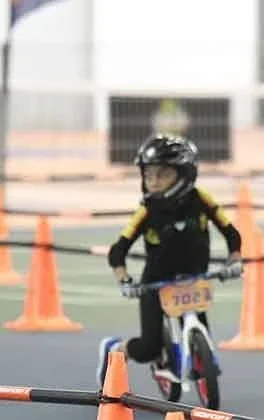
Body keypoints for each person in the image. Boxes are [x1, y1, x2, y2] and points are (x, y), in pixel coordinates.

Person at [96, 134, 243, 386]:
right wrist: (125, 280)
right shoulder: (147, 210)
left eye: (162, 175)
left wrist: (234, 260)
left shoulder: (200, 199)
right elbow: (118, 250)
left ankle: (199, 360)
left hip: (194, 279)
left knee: (202, 330)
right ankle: (114, 348)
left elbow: (230, 231)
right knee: (148, 348)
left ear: (184, 174)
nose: (153, 182)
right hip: (156, 281)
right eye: (148, 175)